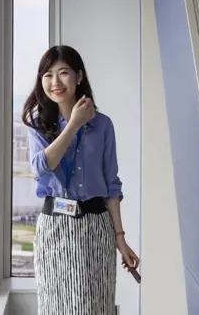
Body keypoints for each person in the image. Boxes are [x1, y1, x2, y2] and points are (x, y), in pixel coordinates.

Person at [22, 45, 139, 315]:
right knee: (57, 307)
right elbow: (41, 166)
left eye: (63, 73)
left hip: (96, 228)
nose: (55, 82)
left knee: (95, 306)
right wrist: (73, 124)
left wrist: (120, 238)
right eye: (48, 75)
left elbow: (112, 185)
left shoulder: (103, 125)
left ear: (79, 76)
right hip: (55, 228)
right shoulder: (37, 125)